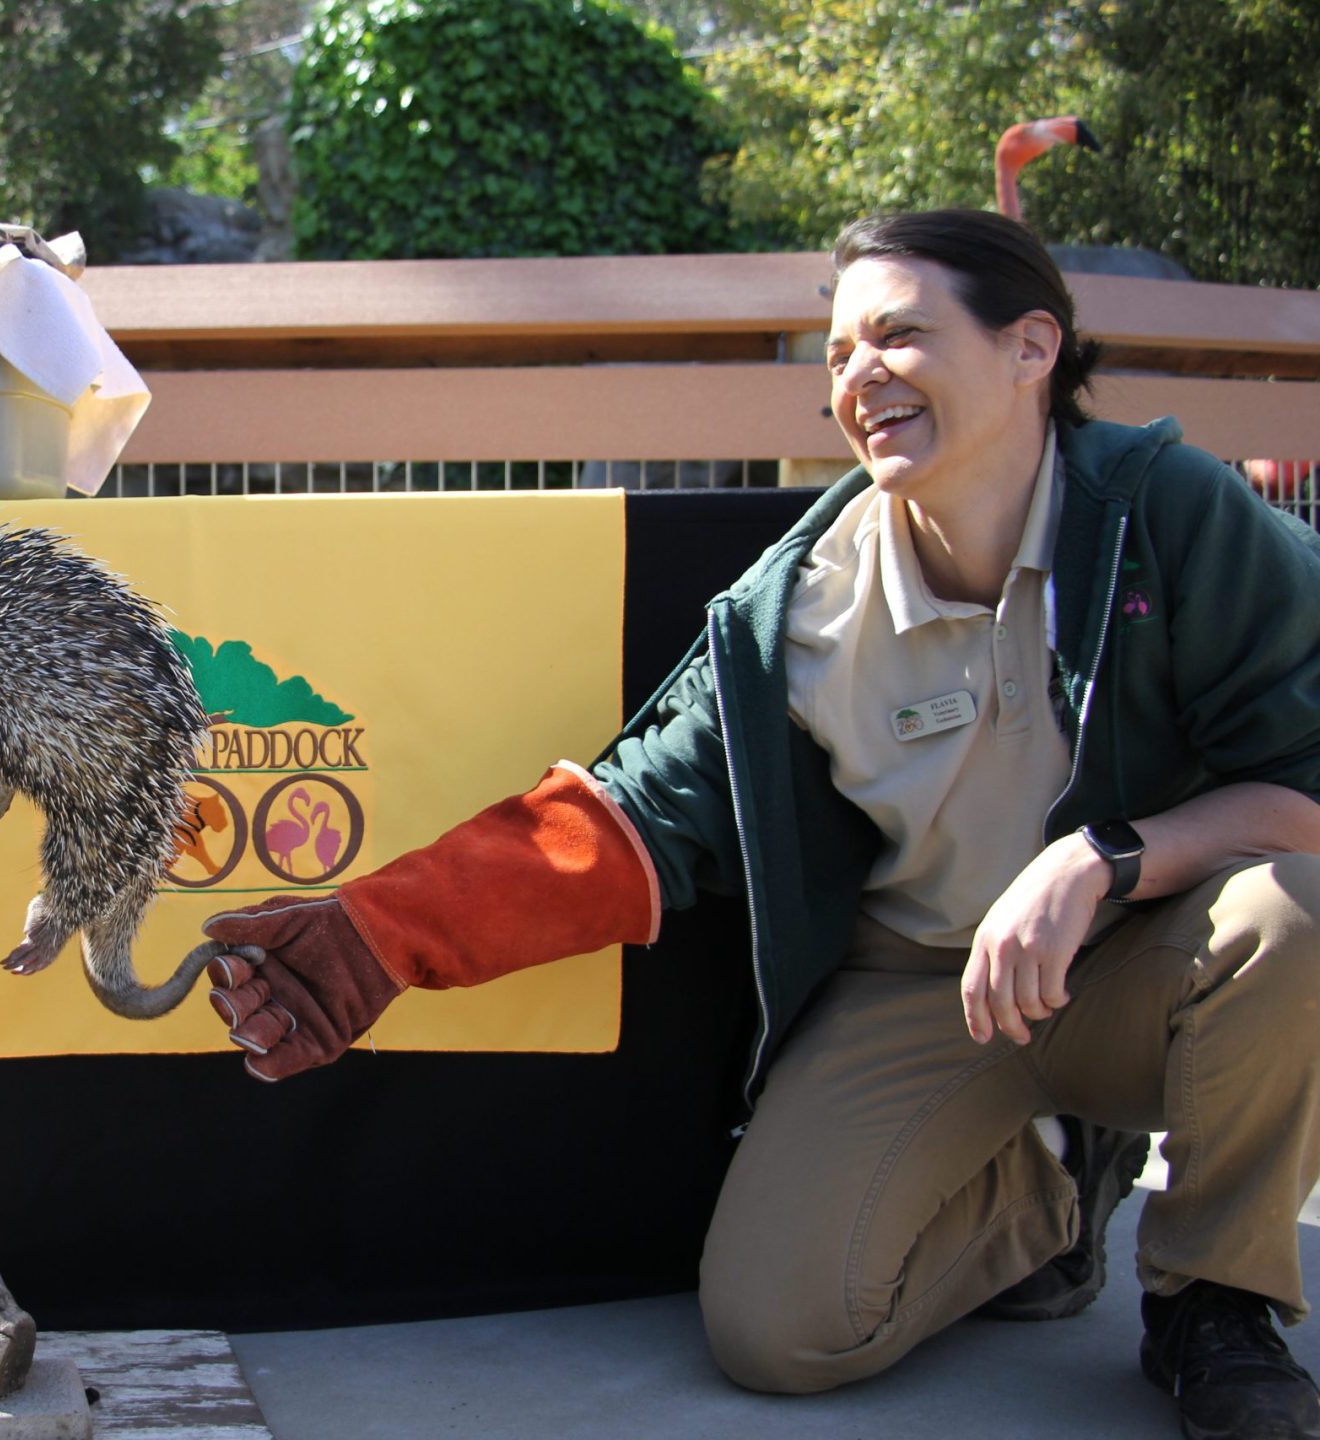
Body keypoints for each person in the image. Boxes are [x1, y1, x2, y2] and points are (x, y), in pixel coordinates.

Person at [199, 208, 1320, 1440]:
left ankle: (1218, 1303)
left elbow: (1306, 793)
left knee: (1293, 916)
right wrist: (378, 933)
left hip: (1133, 962)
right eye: (838, 354)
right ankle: (1052, 1189)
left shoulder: (1171, 513)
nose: (859, 378)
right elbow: (629, 819)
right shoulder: (798, 606)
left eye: (898, 334)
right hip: (921, 989)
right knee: (780, 1334)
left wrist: (1104, 862)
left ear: (1031, 346)